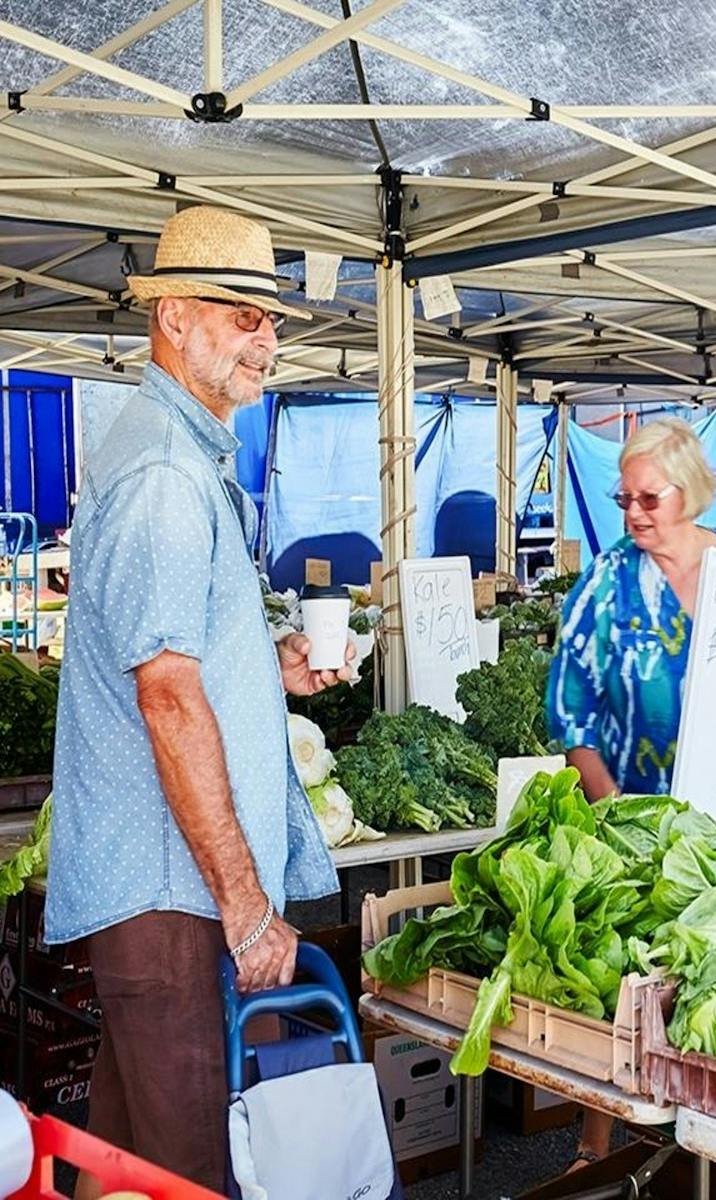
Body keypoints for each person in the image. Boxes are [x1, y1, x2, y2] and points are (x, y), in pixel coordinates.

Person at [45, 206, 348, 1192]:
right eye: (241, 315)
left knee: (125, 1157)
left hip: (163, 891)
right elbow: (167, 698)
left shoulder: (182, 456)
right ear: (174, 317)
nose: (267, 338)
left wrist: (270, 666)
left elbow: (183, 660)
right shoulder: (167, 477)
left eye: (271, 321)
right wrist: (248, 909)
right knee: (187, 1175)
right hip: (170, 893)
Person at [546, 417, 716, 1167]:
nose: (636, 513)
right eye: (625, 500)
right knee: (624, 981)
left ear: (691, 494)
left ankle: (713, 1151)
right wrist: (609, 805)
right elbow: (570, 702)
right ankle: (594, 1146)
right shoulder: (611, 579)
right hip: (630, 813)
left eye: (650, 498)